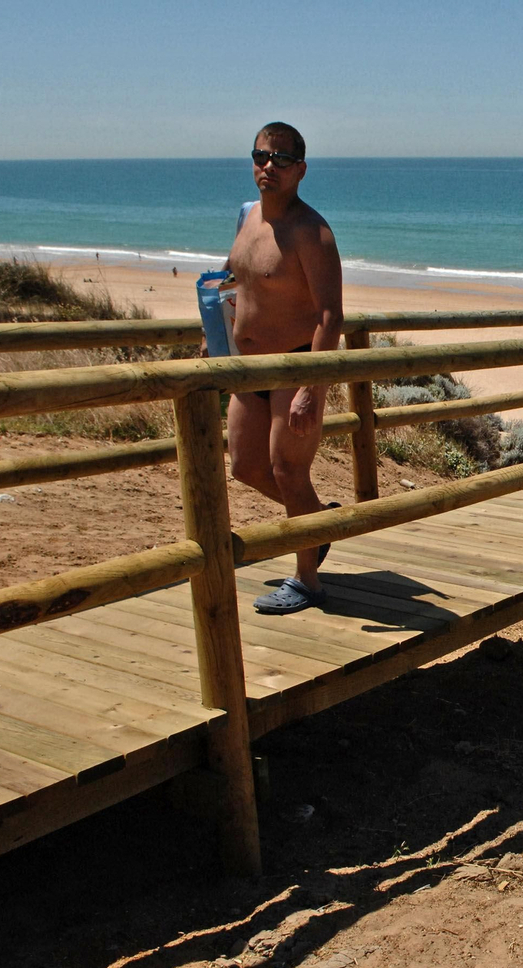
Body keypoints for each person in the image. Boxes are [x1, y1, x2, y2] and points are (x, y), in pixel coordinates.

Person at [225, 122, 345, 614]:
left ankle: (307, 581)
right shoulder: (245, 217)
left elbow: (330, 315)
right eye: (260, 156)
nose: (267, 166)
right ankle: (316, 524)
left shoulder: (311, 232)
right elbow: (239, 281)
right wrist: (218, 337)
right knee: (246, 467)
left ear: (301, 169)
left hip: (294, 366)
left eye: (279, 159)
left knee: (288, 470)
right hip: (247, 367)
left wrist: (312, 388)